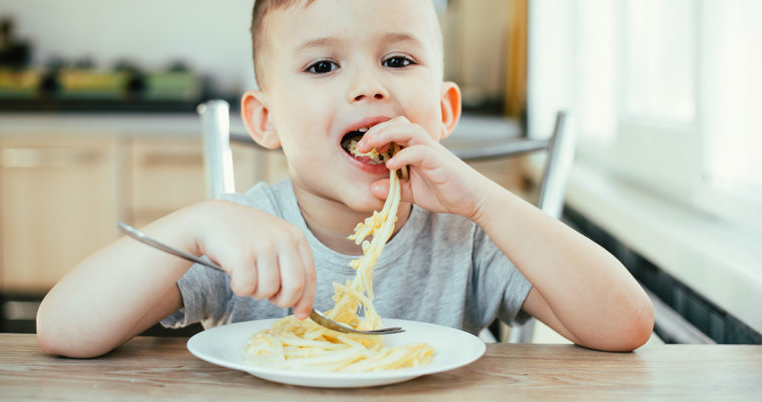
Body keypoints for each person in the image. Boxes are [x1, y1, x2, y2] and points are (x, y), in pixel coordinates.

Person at [36, 0, 654, 358]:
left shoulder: (468, 237)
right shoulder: (239, 238)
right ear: (267, 119)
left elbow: (626, 326)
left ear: (443, 113)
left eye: (398, 60)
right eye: (324, 64)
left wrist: (489, 203)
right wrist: (196, 224)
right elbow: (63, 330)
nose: (369, 85)